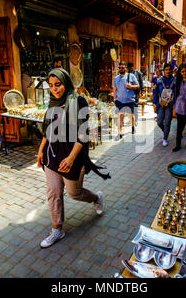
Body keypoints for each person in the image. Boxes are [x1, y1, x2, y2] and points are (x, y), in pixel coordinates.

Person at [37, 68, 110, 248]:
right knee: (54, 193)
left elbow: (83, 134)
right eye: (51, 86)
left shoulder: (78, 101)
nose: (54, 89)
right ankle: (57, 229)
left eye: (58, 85)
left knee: (74, 193)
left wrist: (70, 158)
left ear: (66, 83)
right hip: (51, 157)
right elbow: (47, 129)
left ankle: (95, 198)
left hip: (73, 158)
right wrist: (40, 151)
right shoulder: (52, 102)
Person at [113, 61, 140, 139]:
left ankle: (132, 126)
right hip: (120, 101)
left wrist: (131, 86)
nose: (121, 69)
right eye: (120, 68)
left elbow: (138, 86)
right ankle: (120, 133)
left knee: (131, 116)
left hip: (130, 100)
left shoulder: (131, 76)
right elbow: (115, 89)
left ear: (126, 68)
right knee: (120, 116)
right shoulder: (116, 78)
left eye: (123, 67)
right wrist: (115, 99)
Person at [153, 63, 176, 147]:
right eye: (166, 70)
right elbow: (155, 92)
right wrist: (154, 104)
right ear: (163, 71)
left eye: (169, 70)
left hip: (170, 105)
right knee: (159, 122)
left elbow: (176, 94)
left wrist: (175, 107)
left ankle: (165, 138)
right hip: (161, 105)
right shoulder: (159, 80)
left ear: (172, 71)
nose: (168, 71)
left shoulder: (175, 80)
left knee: (167, 122)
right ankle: (164, 130)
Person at [127, 62, 144, 126]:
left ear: (133, 67)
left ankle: (136, 120)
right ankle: (131, 119)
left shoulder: (137, 73)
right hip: (129, 92)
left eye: (130, 68)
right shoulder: (127, 74)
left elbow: (141, 82)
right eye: (128, 68)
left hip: (136, 92)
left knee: (135, 106)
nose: (129, 69)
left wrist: (142, 90)